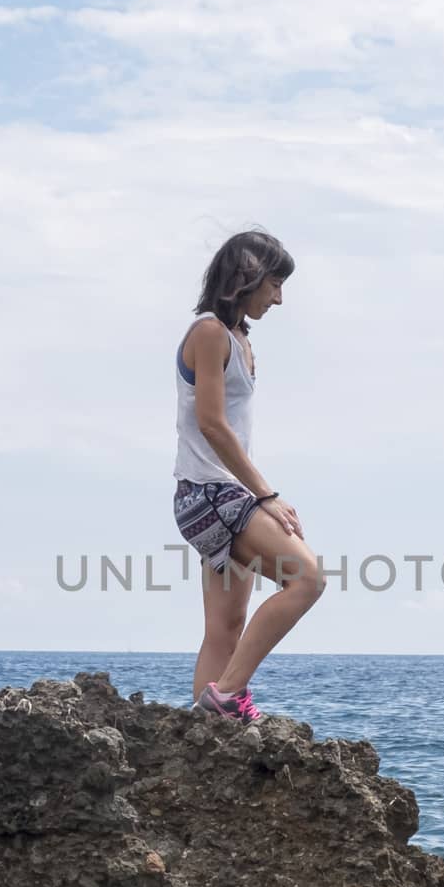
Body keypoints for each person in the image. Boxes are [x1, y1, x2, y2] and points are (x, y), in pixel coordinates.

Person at [171, 230, 326, 722]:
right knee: (306, 579)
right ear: (247, 278)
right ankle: (228, 696)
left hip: (209, 493)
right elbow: (212, 424)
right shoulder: (210, 332)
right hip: (211, 492)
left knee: (225, 627)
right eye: (274, 284)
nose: (279, 298)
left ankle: (207, 736)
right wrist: (267, 496)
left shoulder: (238, 340)